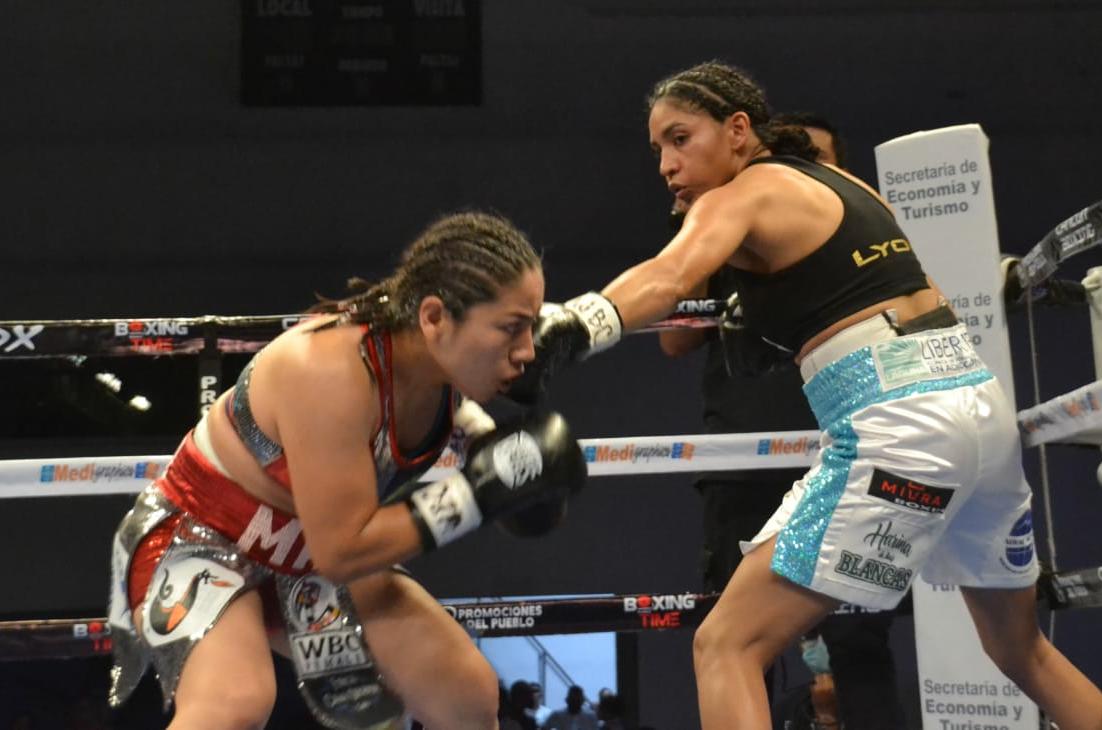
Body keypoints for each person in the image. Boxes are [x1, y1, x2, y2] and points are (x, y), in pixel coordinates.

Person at [510, 61, 1102, 729]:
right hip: (978, 408)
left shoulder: (742, 194)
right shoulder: (844, 186)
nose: (667, 165)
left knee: (725, 644)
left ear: (738, 130)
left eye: (680, 138)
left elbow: (668, 276)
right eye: (658, 150)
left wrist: (570, 326)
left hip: (898, 421)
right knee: (1022, 651)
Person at [106, 211, 588, 730]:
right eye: (512, 328)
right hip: (199, 535)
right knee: (234, 702)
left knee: (465, 693)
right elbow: (341, 551)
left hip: (306, 552)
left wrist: (508, 468)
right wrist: (479, 494)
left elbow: (637, 296)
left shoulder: (443, 372)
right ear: (434, 317)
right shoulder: (329, 371)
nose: (527, 351)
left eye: (530, 326)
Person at [661, 113, 905, 728]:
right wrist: (695, 233)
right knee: (736, 641)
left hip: (846, 448)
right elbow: (672, 339)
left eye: (816, 161)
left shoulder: (855, 239)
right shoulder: (728, 223)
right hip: (742, 462)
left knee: (858, 640)